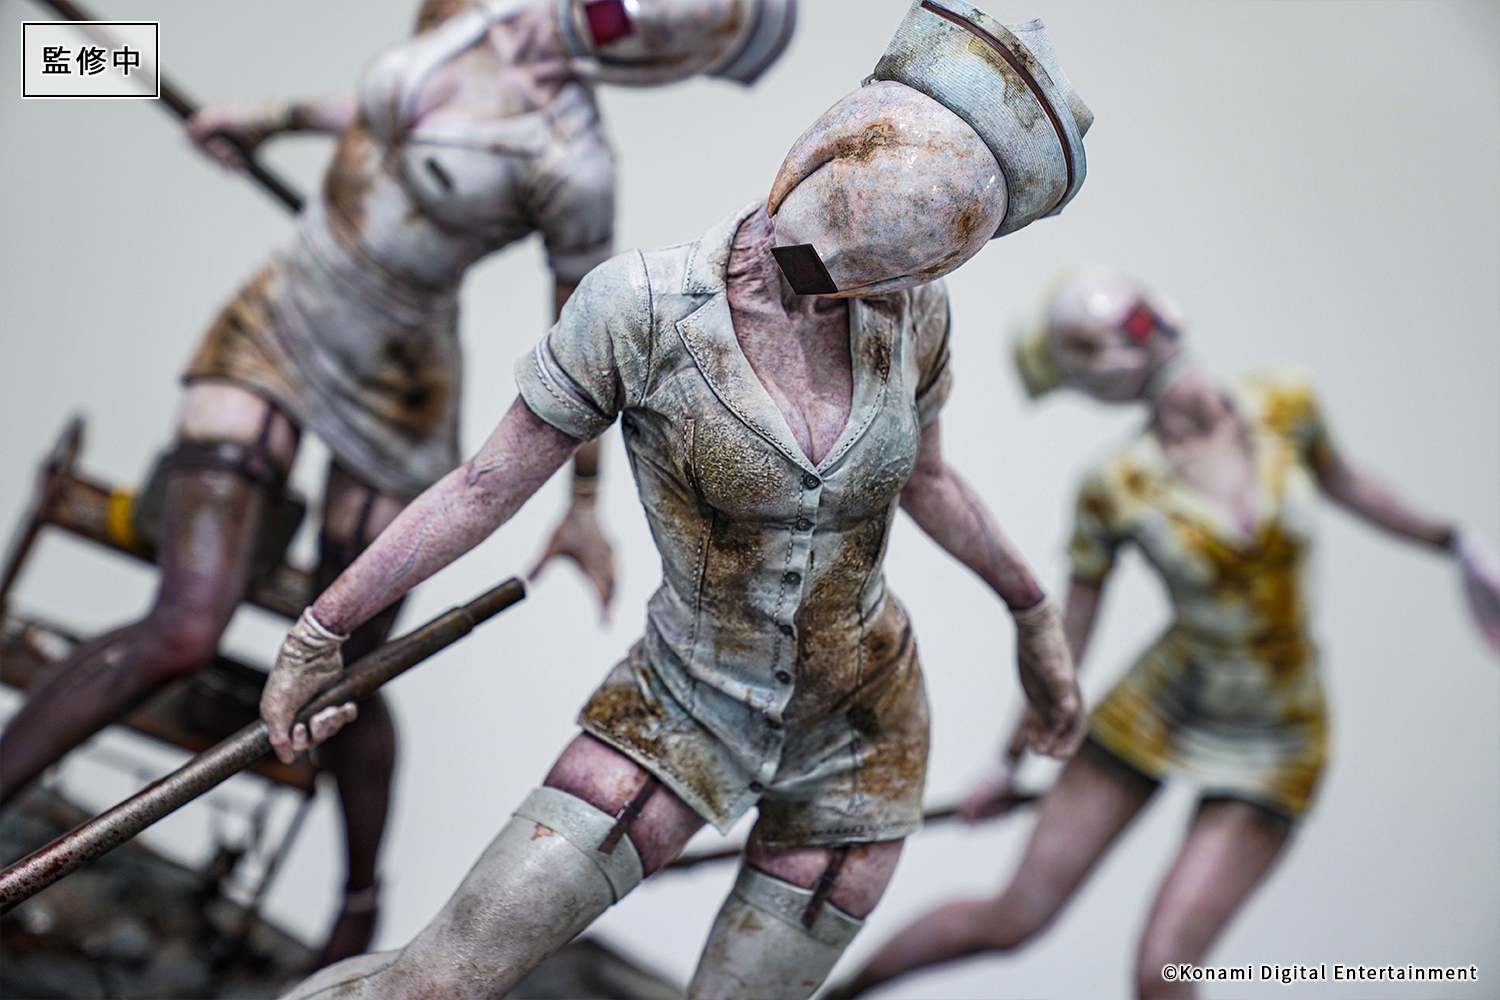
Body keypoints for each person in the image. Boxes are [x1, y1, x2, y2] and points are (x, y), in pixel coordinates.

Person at [257, 3, 1096, 996]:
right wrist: (322, 631)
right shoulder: (640, 312)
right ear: (818, 159)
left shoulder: (912, 315)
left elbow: (933, 480)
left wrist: (1033, 614)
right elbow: (484, 486)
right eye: (815, 258)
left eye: (877, 275)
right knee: (434, 982)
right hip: (681, 703)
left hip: (862, 735)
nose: (824, 287)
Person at [0, 0, 793, 968]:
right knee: (183, 629)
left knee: (347, 671)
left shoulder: (573, 164)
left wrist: (583, 502)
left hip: (400, 386)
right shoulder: (467, 13)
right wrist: (272, 119)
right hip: (283, 316)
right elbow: (378, 109)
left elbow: (594, 336)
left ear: (667, 54)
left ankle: (359, 902)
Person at [826, 267, 1500, 1000]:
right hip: (1157, 711)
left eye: (1134, 318)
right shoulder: (1118, 484)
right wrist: (1008, 760)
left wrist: (1456, 544)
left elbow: (1351, 484)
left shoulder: (1286, 405)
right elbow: (1067, 634)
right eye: (1103, 336)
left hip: (1277, 735)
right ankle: (835, 994)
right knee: (1013, 918)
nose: (1140, 334)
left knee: (1164, 969)